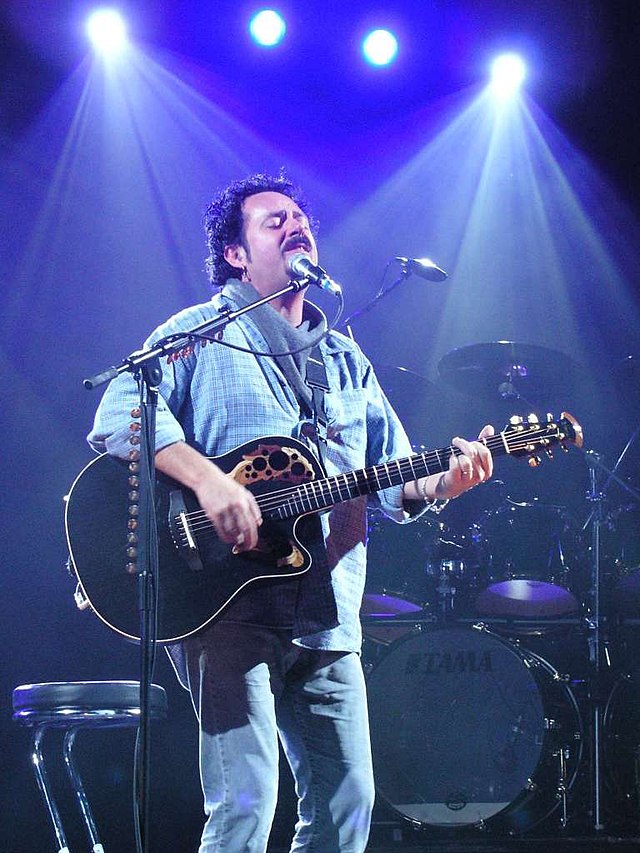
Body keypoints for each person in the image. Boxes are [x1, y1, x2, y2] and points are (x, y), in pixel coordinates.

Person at [88, 172, 494, 852]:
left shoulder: (343, 356)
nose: (295, 224)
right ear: (236, 255)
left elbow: (393, 481)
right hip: (224, 601)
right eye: (273, 220)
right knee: (247, 802)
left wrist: (446, 482)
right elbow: (117, 417)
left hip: (326, 606)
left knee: (347, 805)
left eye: (300, 217)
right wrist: (208, 483)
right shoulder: (196, 332)